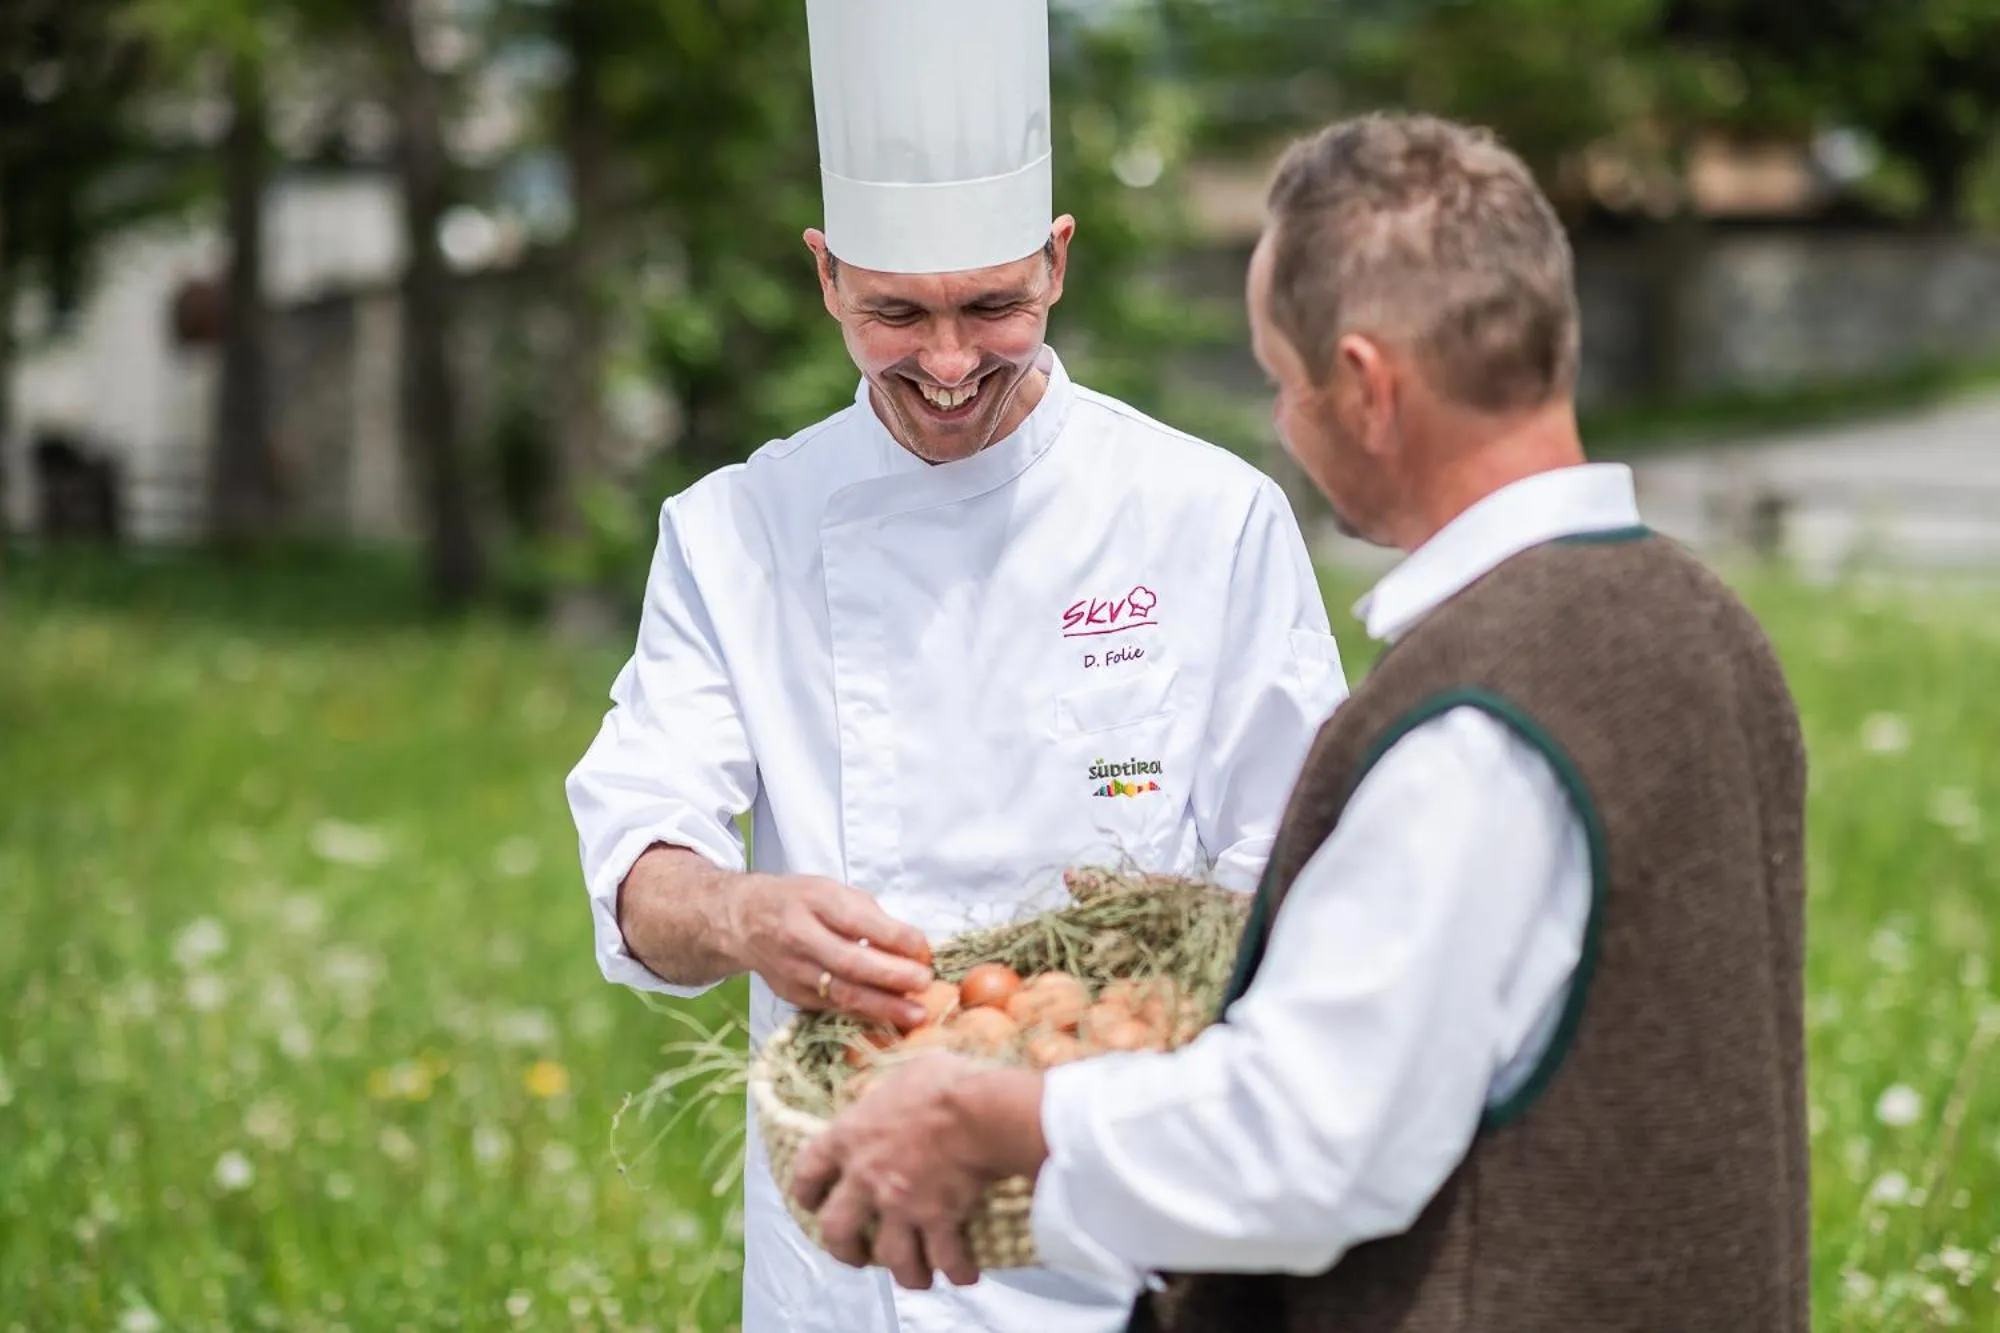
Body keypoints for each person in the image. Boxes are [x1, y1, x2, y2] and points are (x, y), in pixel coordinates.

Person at [790, 111, 1812, 1333]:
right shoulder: (1704, 622)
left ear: (1367, 387)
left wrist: (1007, 1123)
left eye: (1283, 382)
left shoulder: (1477, 720)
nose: (1285, 425)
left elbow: (1307, 1142)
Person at [562, 3, 1350, 1330]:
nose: (944, 363)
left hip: (1131, 1218)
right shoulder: (734, 532)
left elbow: (1301, 864)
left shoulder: (1204, 515)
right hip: (856, 1251)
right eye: (894, 312)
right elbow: (644, 865)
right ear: (824, 275)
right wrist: (744, 914)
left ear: (1057, 261)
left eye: (991, 305)